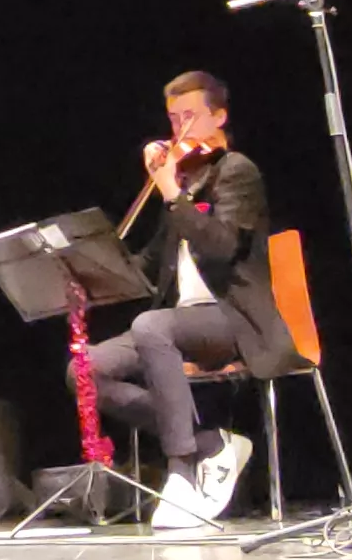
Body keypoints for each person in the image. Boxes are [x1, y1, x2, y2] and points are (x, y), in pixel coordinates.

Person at [83, 71, 289, 528]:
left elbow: (222, 246)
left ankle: (180, 475)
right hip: (183, 322)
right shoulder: (186, 182)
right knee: (86, 367)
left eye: (190, 117)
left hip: (236, 318)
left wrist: (172, 191)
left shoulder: (236, 171)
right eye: (173, 119)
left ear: (219, 116)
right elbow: (148, 263)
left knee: (152, 325)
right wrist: (91, 271)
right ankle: (210, 444)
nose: (178, 131)